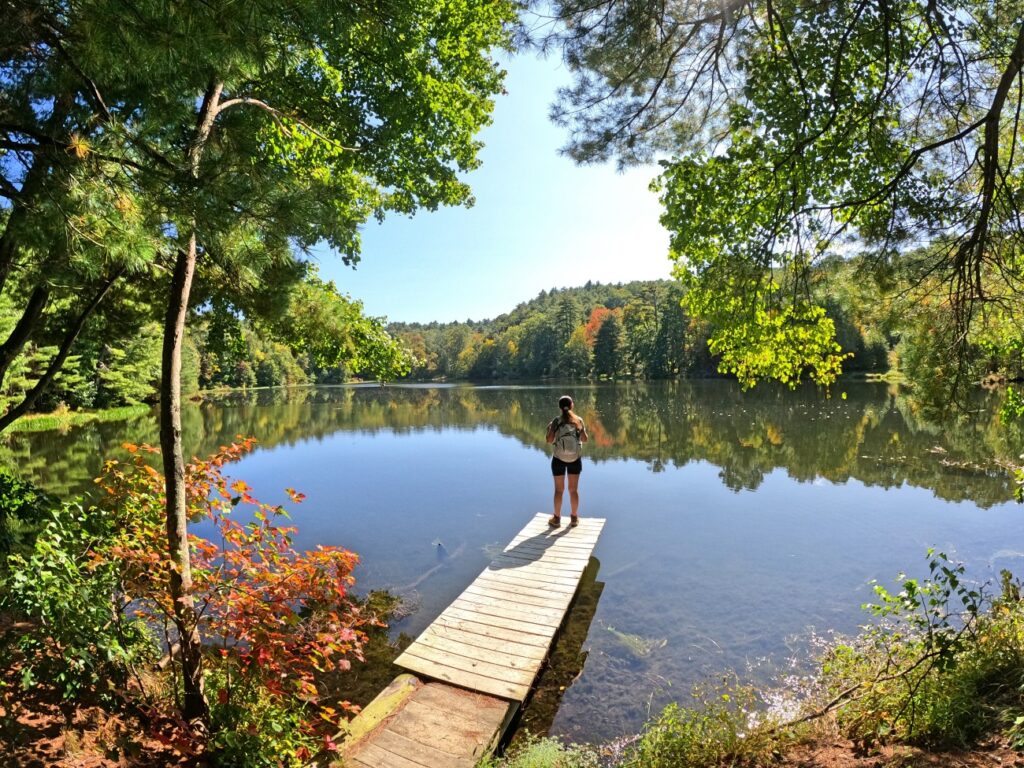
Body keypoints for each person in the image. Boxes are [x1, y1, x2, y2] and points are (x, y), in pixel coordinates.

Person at [545, 394, 588, 527]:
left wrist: (549, 429)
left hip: (558, 458)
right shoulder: (578, 421)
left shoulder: (556, 421)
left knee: (559, 490)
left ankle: (557, 519)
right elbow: (585, 439)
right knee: (573, 490)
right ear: (572, 406)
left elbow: (549, 440)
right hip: (575, 458)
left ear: (559, 407)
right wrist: (581, 430)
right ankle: (574, 518)